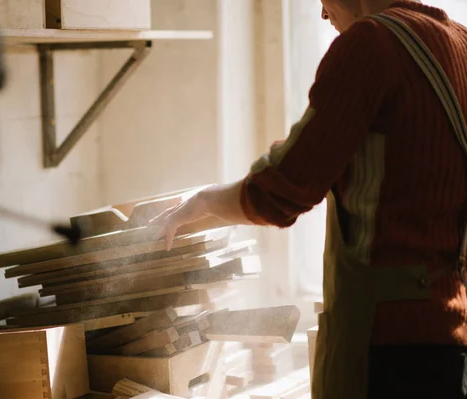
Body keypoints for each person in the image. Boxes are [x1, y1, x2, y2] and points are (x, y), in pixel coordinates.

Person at [150, 1, 467, 398]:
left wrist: (203, 202)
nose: (322, 13)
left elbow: (285, 186)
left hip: (381, 346)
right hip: (448, 337)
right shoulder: (459, 43)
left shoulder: (371, 44)